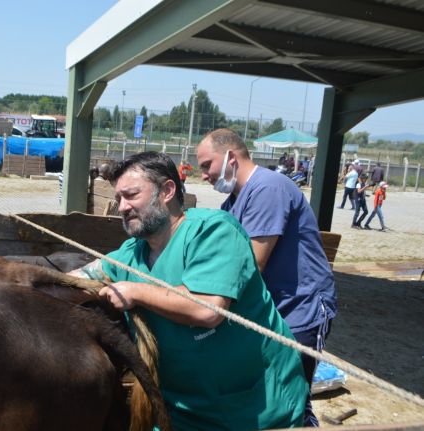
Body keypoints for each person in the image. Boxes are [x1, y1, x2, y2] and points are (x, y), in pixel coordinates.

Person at [70, 151, 308, 430]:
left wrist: (135, 291)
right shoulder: (132, 253)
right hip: (180, 409)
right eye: (119, 198)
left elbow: (207, 309)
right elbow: (84, 276)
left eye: (131, 195)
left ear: (167, 191)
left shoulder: (214, 232)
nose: (122, 207)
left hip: (253, 409)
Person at [196, 129, 337, 427]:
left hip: (299, 309)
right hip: (271, 309)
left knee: (292, 397)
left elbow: (251, 263)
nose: (204, 175)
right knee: (270, 395)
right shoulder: (232, 203)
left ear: (231, 157)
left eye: (207, 165)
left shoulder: (268, 188)